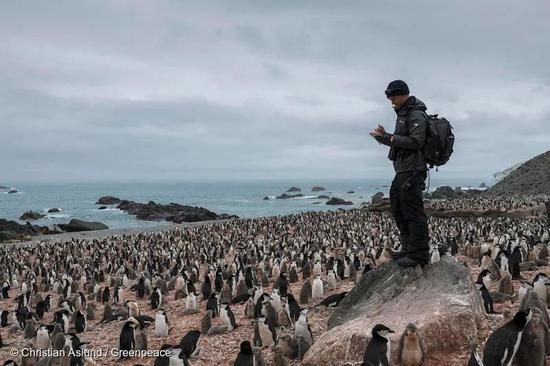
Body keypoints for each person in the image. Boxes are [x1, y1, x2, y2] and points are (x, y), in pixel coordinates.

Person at [370, 80, 430, 267]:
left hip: (413, 170)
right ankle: (408, 248)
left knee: (413, 212)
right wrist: (385, 136)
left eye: (394, 97)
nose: (392, 101)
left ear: (404, 94)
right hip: (403, 170)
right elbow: (401, 140)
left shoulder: (416, 114)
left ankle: (419, 254)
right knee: (398, 208)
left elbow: (416, 142)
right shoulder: (404, 114)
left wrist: (388, 138)